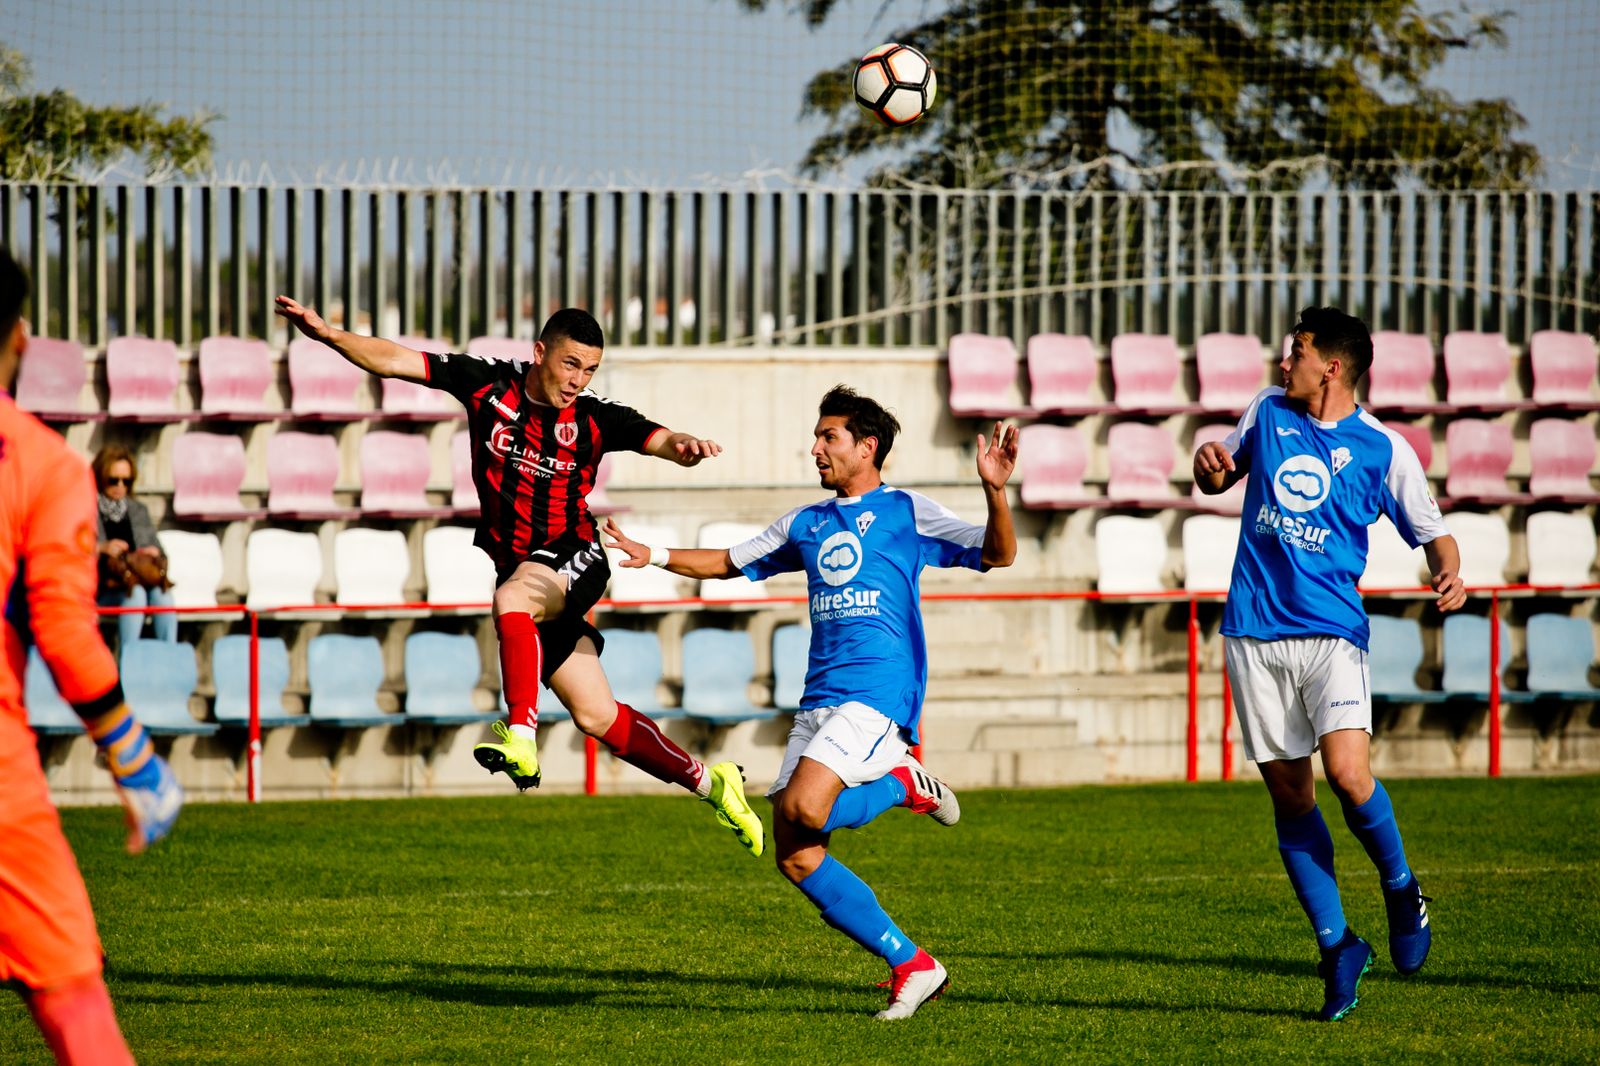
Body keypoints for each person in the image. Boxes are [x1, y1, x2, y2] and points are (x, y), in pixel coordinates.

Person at [273, 296, 764, 856]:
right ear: (539, 354)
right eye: (571, 364)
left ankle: (522, 737)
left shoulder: (595, 418)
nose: (579, 379)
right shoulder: (487, 386)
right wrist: (329, 336)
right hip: (526, 572)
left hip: (576, 554)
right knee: (596, 714)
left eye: (591, 369)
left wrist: (687, 449)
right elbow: (394, 358)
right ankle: (711, 782)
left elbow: (661, 439)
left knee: (511, 598)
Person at [605, 385, 1018, 1020]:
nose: (816, 447)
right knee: (796, 851)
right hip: (819, 696)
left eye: (829, 437)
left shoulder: (907, 512)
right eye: (816, 436)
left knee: (803, 802)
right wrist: (651, 555)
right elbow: (724, 561)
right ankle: (914, 964)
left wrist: (995, 490)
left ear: (867, 447)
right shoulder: (805, 523)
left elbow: (998, 553)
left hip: (881, 691)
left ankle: (900, 784)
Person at [1193, 306, 1465, 1022]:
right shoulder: (1266, 412)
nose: (1286, 362)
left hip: (1332, 635)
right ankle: (1337, 944)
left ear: (1333, 367)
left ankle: (1402, 887)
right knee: (1292, 798)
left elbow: (1434, 533)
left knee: (1347, 775)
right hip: (1254, 632)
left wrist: (1449, 572)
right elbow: (1219, 474)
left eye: (1298, 351)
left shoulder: (1384, 449)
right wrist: (1208, 466)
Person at [0, 248, 183, 1064]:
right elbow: (66, 634)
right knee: (74, 991)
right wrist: (135, 757)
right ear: (20, 335)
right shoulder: (40, 461)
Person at [91, 444, 177, 648]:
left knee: (163, 595)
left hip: (139, 579)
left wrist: (154, 553)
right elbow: (71, 550)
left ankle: (169, 659)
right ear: (101, 479)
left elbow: (161, 553)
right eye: (113, 480)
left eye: (126, 481)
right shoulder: (86, 510)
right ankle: (127, 665)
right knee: (136, 595)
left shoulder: (138, 510)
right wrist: (101, 548)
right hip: (105, 588)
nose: (120, 486)